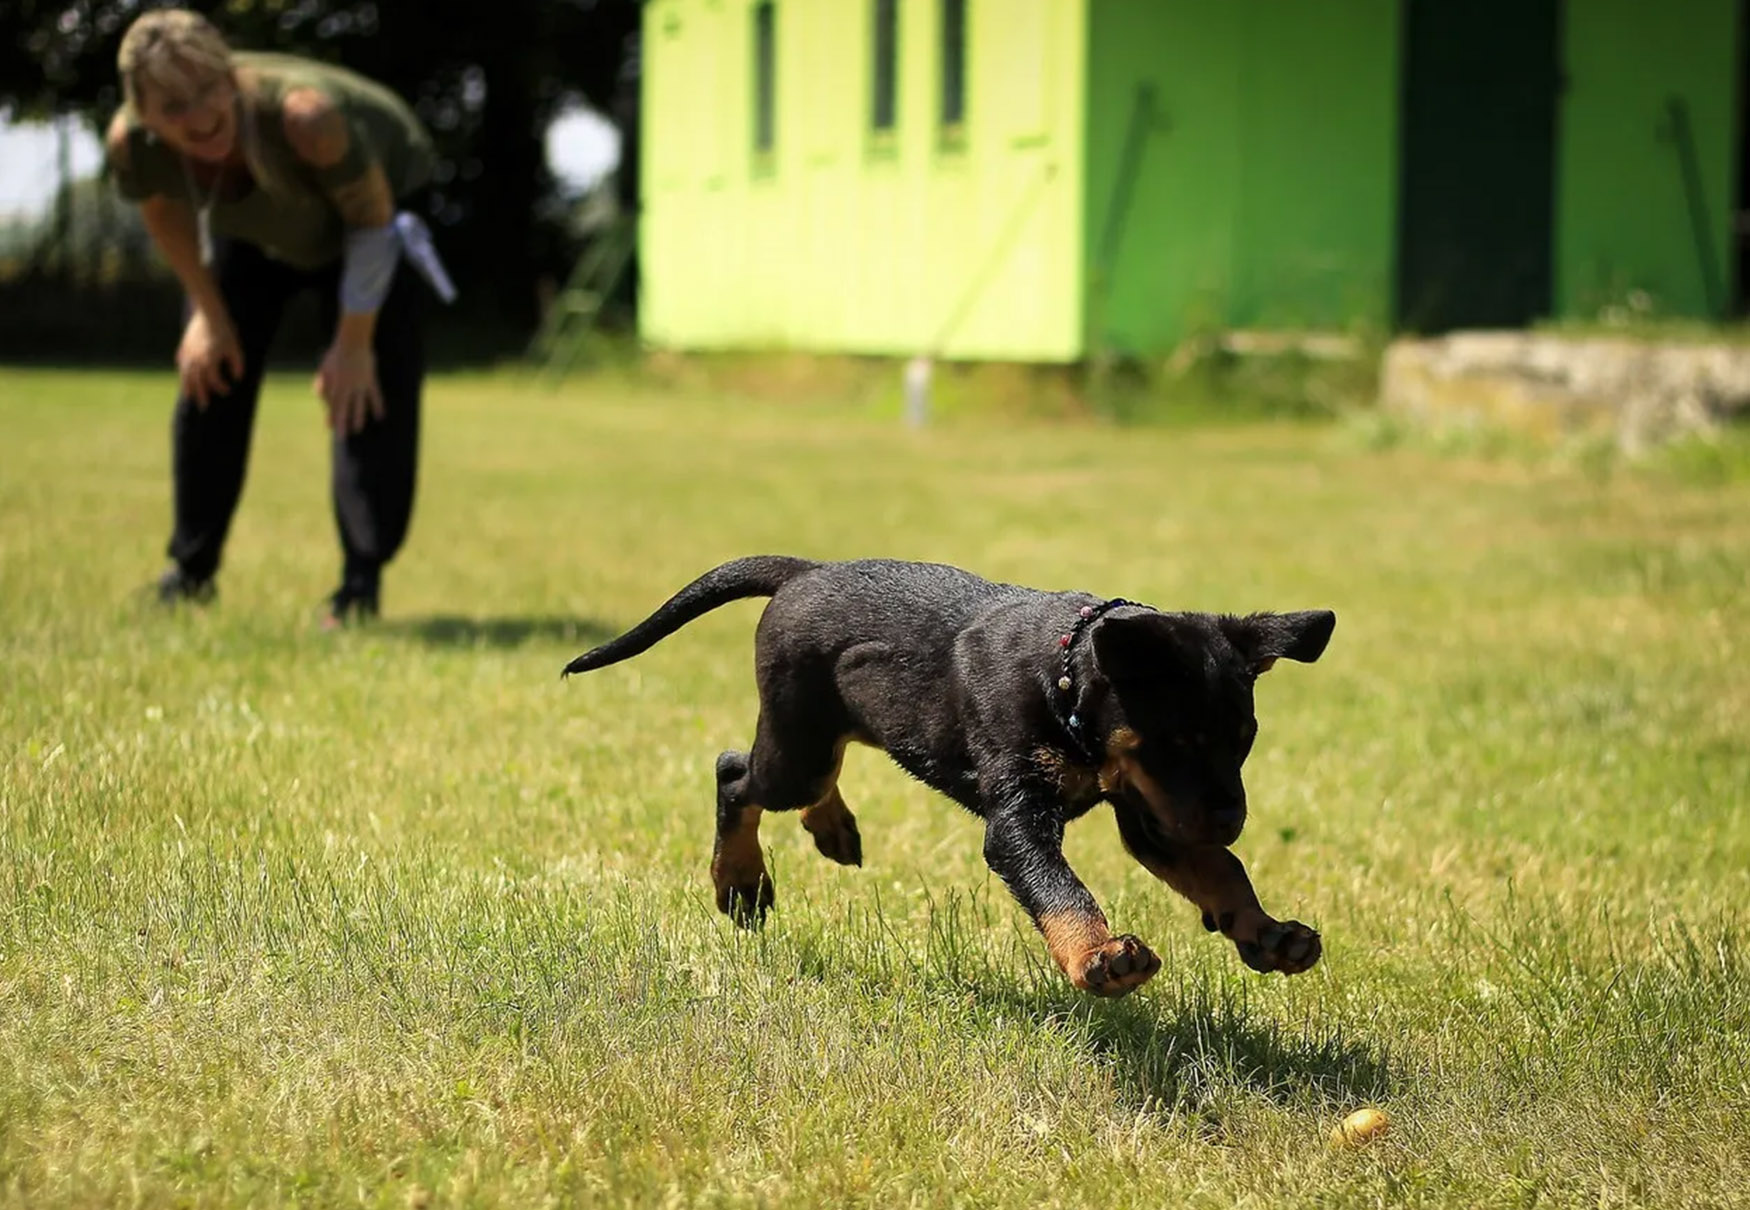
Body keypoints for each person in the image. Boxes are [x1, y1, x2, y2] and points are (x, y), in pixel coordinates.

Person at [106, 8, 452, 625]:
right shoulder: (135, 144)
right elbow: (164, 212)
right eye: (175, 106)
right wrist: (207, 314)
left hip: (370, 221)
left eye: (210, 90)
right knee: (209, 374)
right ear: (143, 110)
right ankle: (189, 572)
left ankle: (358, 586)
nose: (202, 116)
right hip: (256, 232)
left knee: (365, 394)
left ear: (231, 75)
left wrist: (352, 344)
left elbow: (372, 223)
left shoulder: (306, 118)